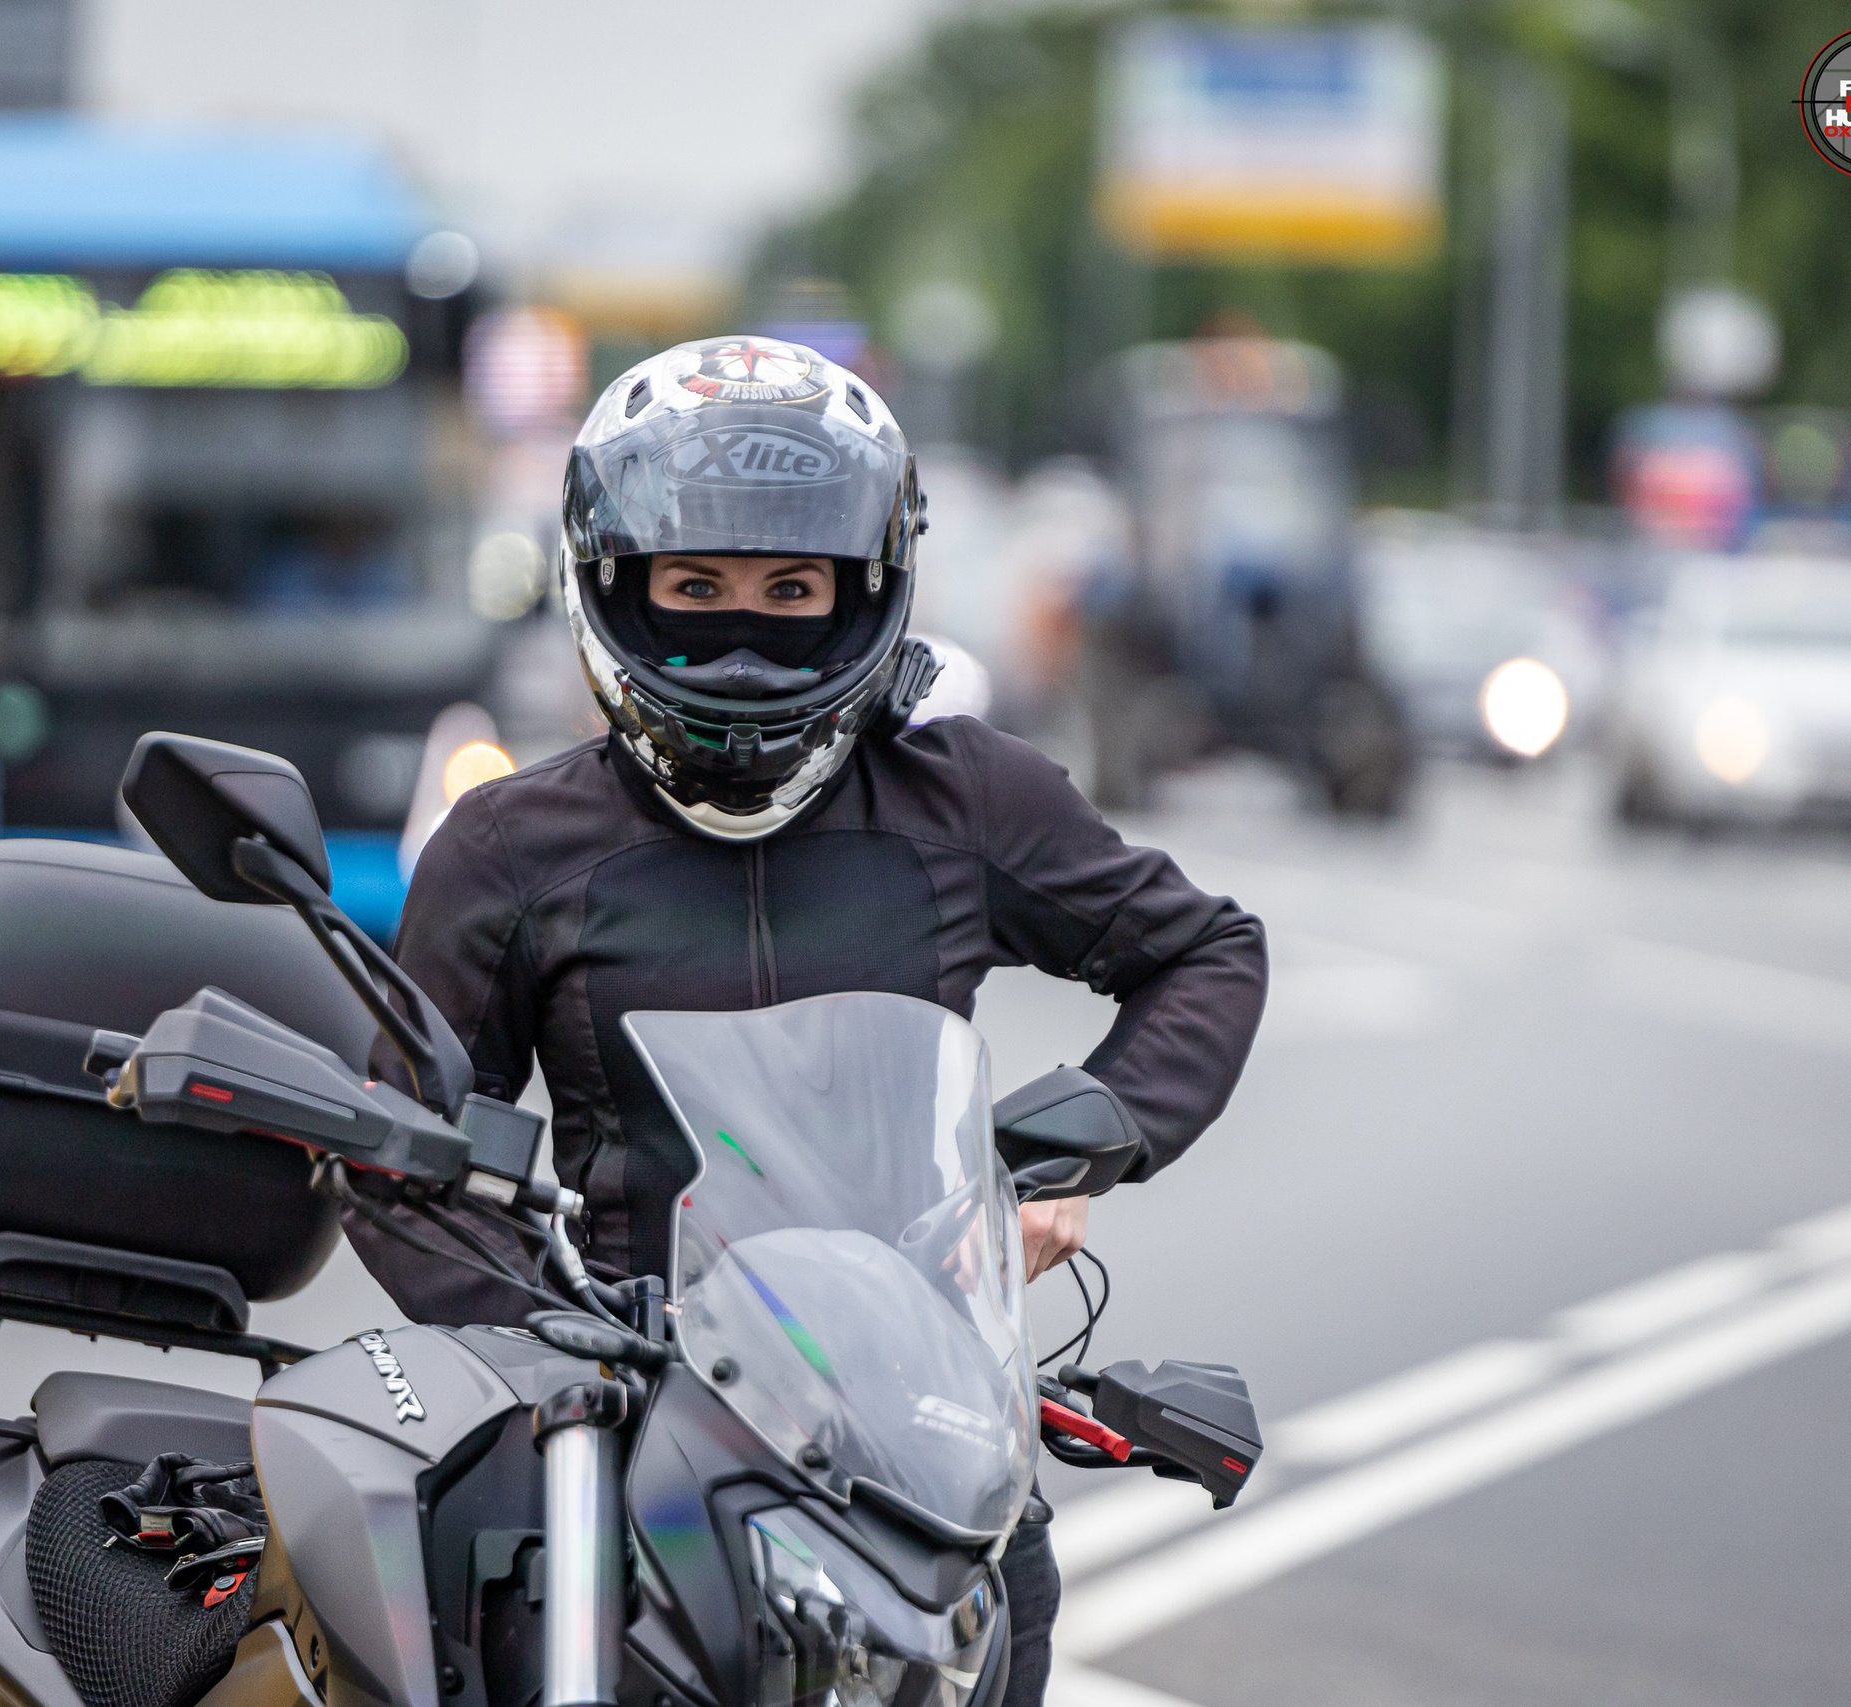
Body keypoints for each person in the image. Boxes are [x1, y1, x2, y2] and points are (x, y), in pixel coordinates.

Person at [353, 335, 1268, 1707]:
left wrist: (1082, 1146)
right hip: (621, 1441)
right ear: (615, 583)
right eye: (697, 584)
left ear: (870, 588)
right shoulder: (511, 849)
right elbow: (399, 1152)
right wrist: (545, 1333)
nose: (744, 622)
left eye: (792, 586)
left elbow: (1207, 950)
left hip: (927, 1446)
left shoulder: (963, 803)